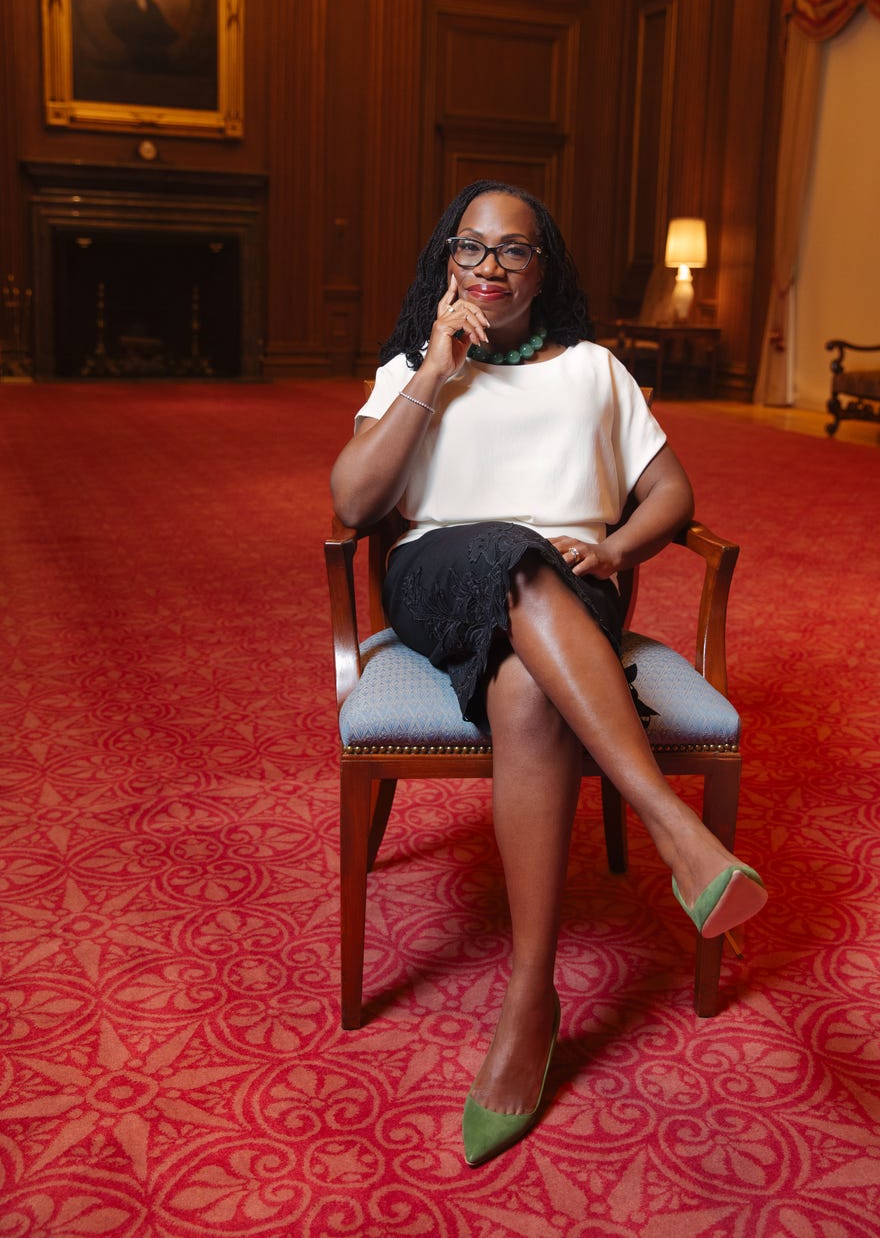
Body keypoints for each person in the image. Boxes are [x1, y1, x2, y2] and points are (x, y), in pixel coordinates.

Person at [330, 180, 767, 1166]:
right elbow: (356, 502)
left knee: (528, 686)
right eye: (469, 247)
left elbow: (668, 493)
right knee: (506, 553)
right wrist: (433, 373)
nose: (489, 266)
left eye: (512, 251)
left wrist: (615, 550)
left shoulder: (594, 371)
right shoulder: (411, 362)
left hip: (575, 584)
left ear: (543, 267)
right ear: (446, 260)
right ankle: (672, 827)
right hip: (439, 574)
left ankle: (530, 1001)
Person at [104, 0, 179, 73]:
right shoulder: (118, 4)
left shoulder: (152, 5)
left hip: (153, 61)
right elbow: (115, 34)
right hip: (129, 62)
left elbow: (163, 28)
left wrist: (178, 39)